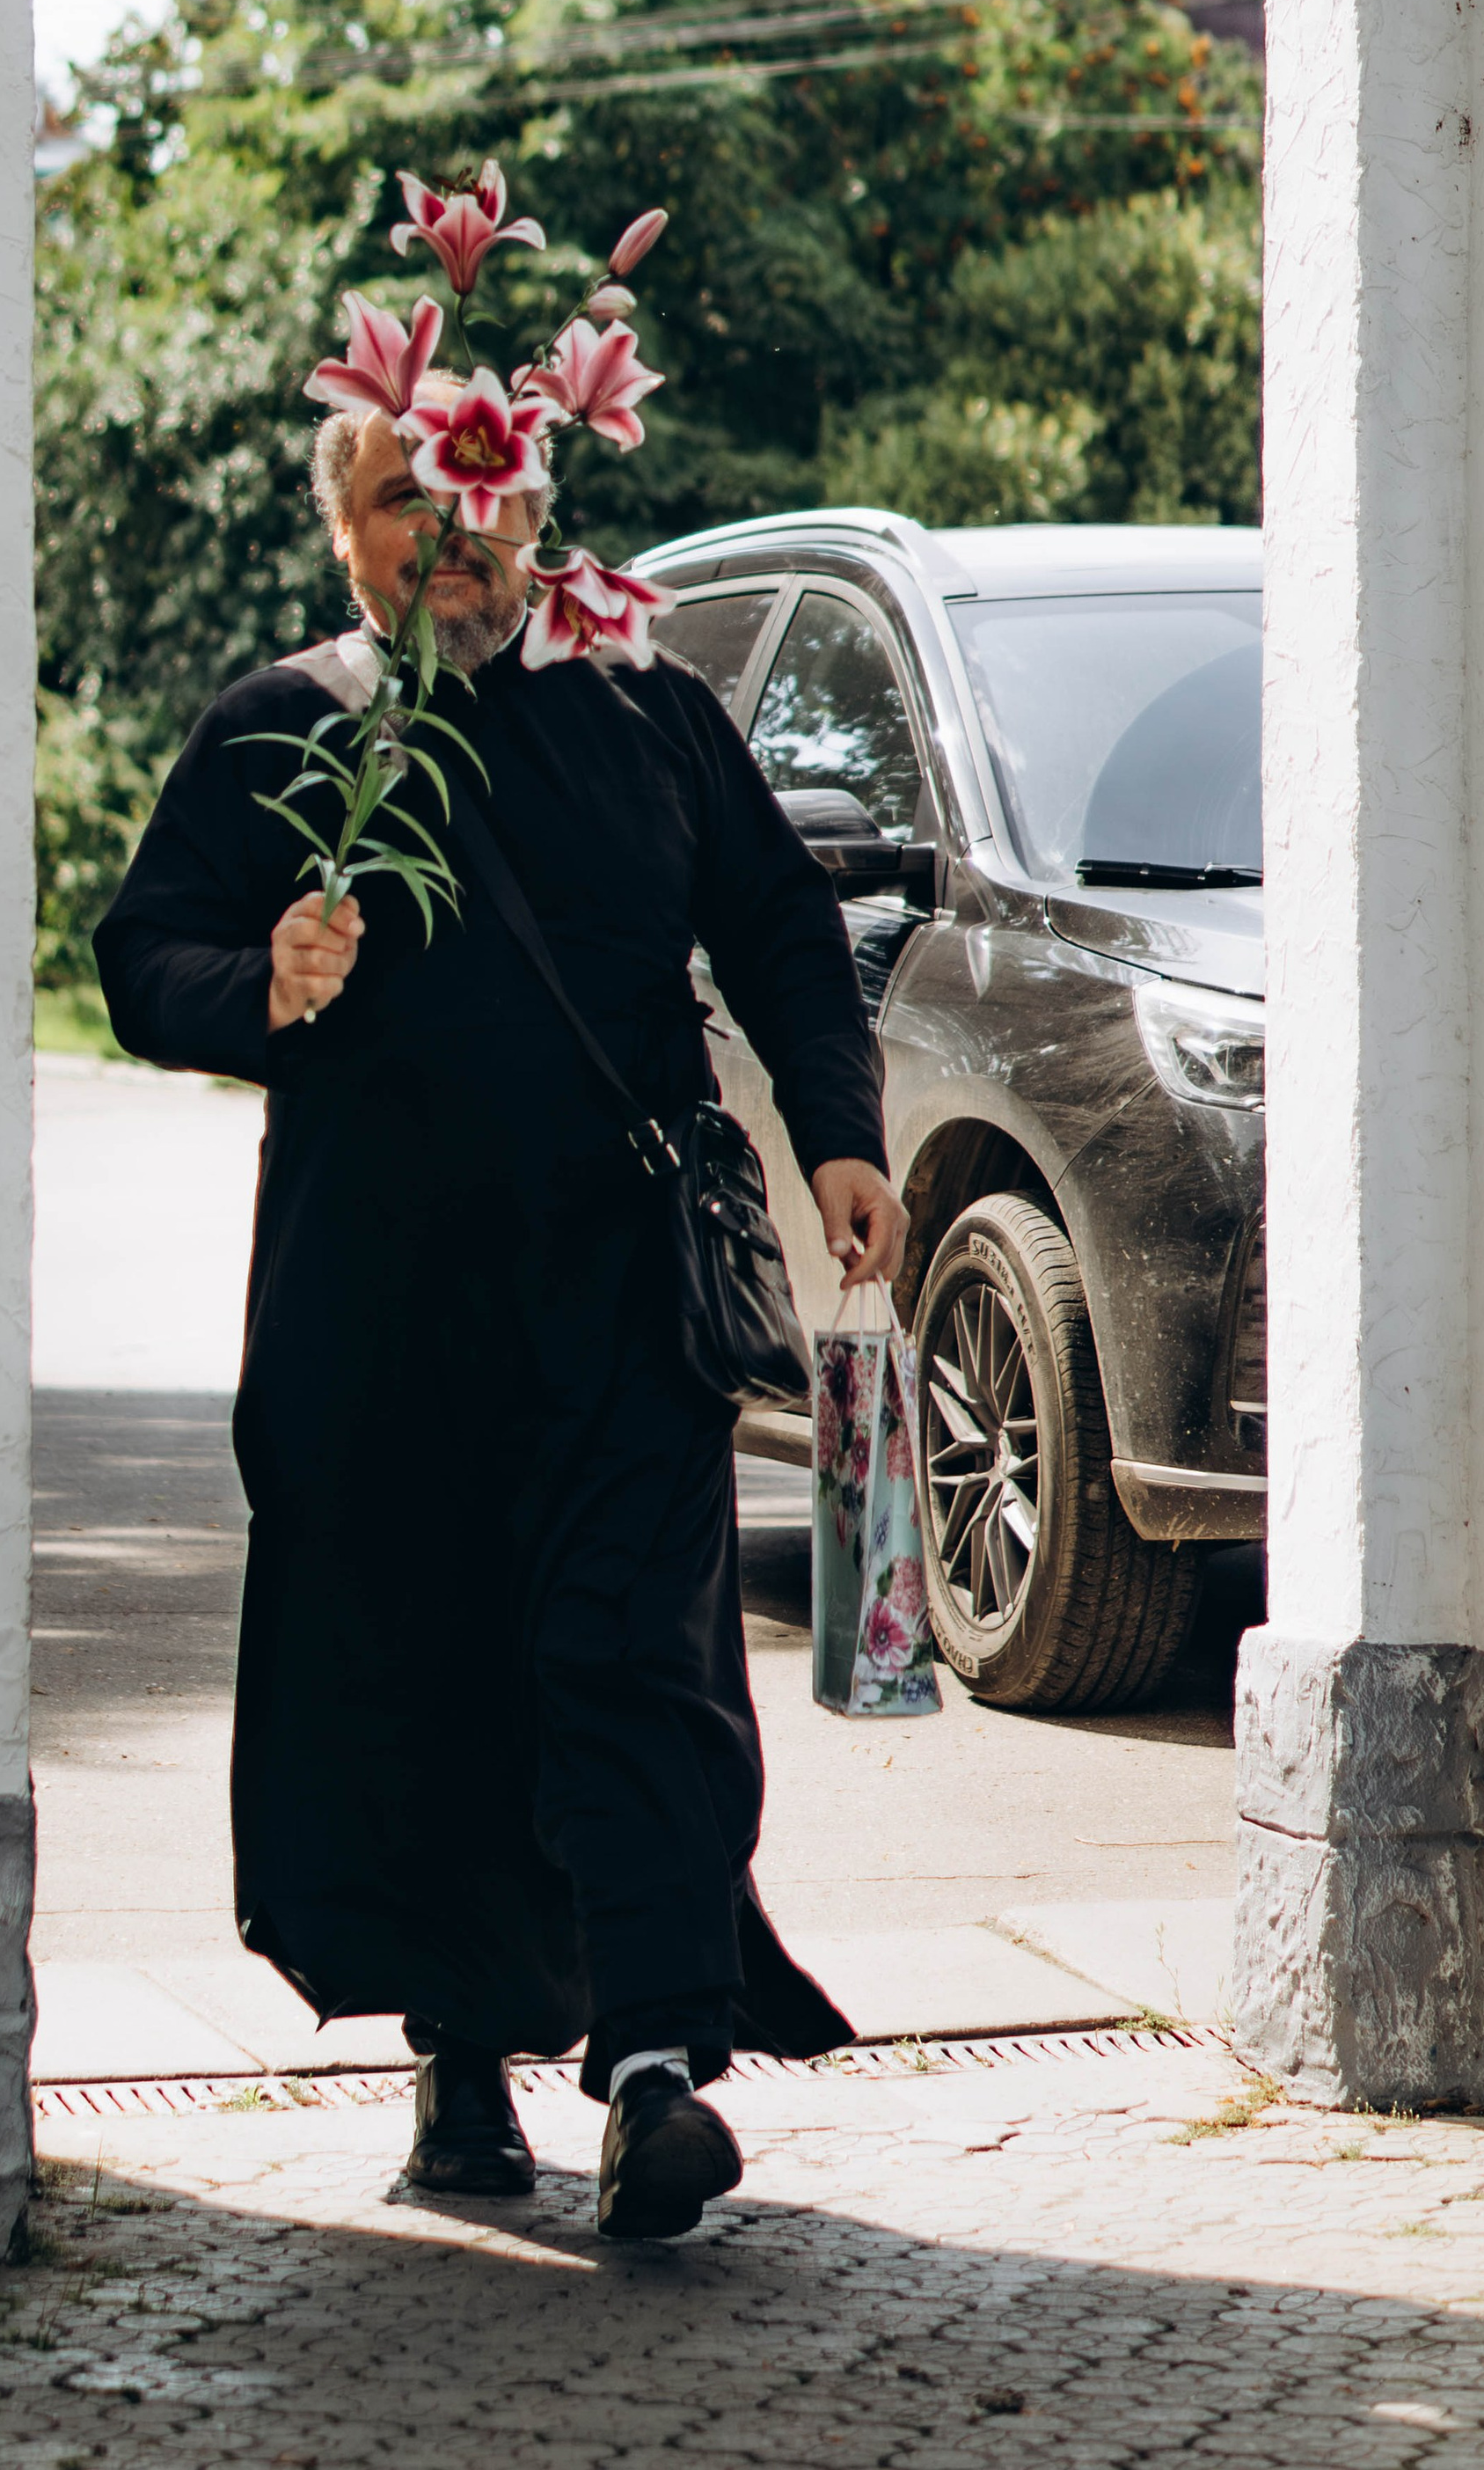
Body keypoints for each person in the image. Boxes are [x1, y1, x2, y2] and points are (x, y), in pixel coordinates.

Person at [93, 398, 907, 2239]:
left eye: (475, 498)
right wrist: (263, 977)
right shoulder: (280, 729)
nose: (443, 537)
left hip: (619, 1307)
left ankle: (649, 2068)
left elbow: (781, 924)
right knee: (429, 1680)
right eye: (402, 502)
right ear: (344, 534)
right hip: (379, 1329)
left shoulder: (644, 710)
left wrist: (838, 1131)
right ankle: (459, 2064)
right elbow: (142, 958)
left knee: (630, 1662)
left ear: (535, 511)